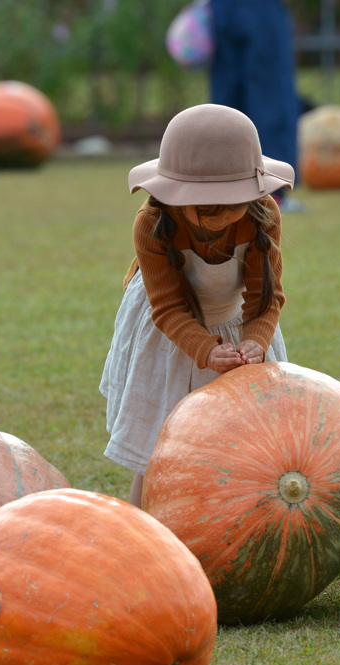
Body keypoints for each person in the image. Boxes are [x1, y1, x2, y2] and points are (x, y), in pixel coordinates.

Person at [99, 104, 293, 507]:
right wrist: (205, 350)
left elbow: (265, 296)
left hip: (236, 318)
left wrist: (255, 340)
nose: (219, 217)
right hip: (166, 328)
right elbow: (168, 308)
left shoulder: (263, 217)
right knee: (162, 434)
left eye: (231, 202)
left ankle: (230, 516)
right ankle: (143, 525)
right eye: (205, 206)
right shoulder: (152, 224)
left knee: (242, 432)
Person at [208, 0, 303, 212]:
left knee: (227, 101)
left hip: (223, 8)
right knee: (271, 97)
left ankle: (222, 193)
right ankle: (271, 193)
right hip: (261, 9)